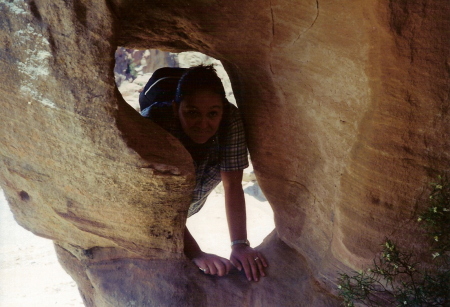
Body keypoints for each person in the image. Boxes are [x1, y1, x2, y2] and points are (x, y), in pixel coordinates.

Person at [141, 65, 268, 282]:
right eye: (192, 113)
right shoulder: (156, 123)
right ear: (175, 108)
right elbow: (158, 203)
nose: (203, 123)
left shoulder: (230, 121)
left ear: (222, 111)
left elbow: (232, 185)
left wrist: (239, 245)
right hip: (154, 206)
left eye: (212, 113)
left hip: (191, 198)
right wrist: (196, 253)